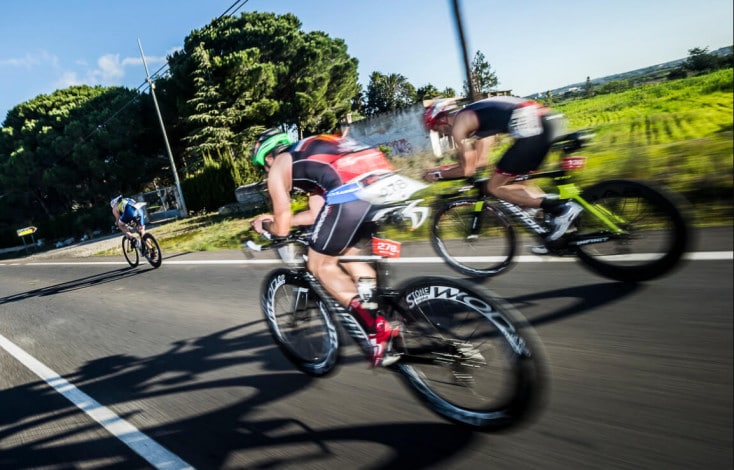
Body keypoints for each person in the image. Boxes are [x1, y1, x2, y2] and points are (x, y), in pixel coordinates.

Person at [249, 129, 400, 367]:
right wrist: (285, 220)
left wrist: (266, 223)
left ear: (268, 158)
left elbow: (283, 229)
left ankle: (376, 328)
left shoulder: (279, 165)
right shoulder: (308, 153)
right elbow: (318, 215)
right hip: (383, 177)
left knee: (319, 265)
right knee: (344, 249)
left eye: (264, 169)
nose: (267, 173)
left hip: (351, 191)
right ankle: (378, 308)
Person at [422, 96, 583, 247]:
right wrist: (459, 170)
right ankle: (554, 235)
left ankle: (561, 209)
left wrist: (437, 174)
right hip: (548, 121)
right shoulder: (476, 116)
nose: (441, 134)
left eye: (437, 128)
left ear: (442, 119)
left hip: (534, 132)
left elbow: (467, 170)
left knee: (494, 187)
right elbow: (481, 161)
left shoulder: (459, 126)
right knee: (518, 183)